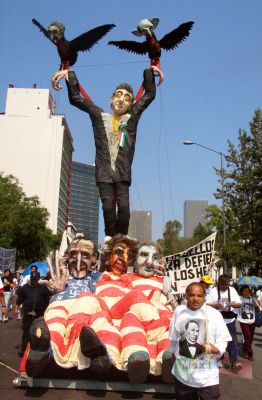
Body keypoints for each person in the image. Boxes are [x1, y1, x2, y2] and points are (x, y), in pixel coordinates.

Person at [51, 66, 160, 240]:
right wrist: (69, 75)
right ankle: (110, 238)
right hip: (104, 172)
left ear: (131, 103)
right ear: (111, 99)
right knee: (108, 207)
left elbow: (149, 95)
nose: (121, 100)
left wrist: (150, 71)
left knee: (124, 208)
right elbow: (76, 99)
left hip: (123, 172)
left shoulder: (132, 116)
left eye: (127, 98)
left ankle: (121, 238)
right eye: (118, 95)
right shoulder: (98, 115)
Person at [169, 282, 231, 400]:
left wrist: (213, 349)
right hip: (182, 376)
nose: (196, 299)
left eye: (200, 296)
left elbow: (223, 341)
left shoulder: (215, 315)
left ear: (205, 297)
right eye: (192, 295)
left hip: (207, 377)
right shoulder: (179, 312)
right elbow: (174, 339)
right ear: (186, 296)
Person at [206, 274, 241, 369]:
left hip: (230, 320)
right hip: (216, 320)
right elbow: (207, 304)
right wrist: (215, 305)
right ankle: (218, 360)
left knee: (232, 341)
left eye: (226, 284)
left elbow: (239, 304)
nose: (224, 286)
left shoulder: (232, 290)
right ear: (218, 283)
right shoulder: (213, 291)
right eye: (222, 284)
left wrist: (232, 305)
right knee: (217, 341)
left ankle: (233, 361)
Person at [15, 269, 51, 356]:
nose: (34, 281)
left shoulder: (43, 288)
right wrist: (16, 309)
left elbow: (48, 300)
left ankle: (37, 351)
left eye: (36, 279)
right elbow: (19, 300)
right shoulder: (25, 288)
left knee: (38, 333)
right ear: (30, 278)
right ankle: (24, 350)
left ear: (38, 279)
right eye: (33, 279)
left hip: (39, 315)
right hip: (28, 314)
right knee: (26, 333)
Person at [237, 285, 260, 361]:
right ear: (242, 292)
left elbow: (258, 310)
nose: (246, 292)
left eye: (248, 291)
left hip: (252, 321)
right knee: (247, 337)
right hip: (243, 321)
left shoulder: (253, 299)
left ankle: (245, 348)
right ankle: (250, 354)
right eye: (245, 291)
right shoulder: (239, 299)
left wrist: (256, 305)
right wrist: (240, 305)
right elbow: (235, 306)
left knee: (250, 338)